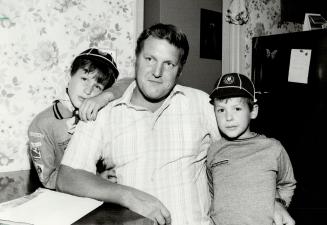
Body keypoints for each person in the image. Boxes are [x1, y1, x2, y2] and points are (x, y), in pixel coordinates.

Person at [57, 24, 295, 225]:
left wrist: (272, 200)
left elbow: (245, 152)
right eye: (150, 59)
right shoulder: (104, 112)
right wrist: (126, 195)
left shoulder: (201, 103)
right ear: (136, 58)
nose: (156, 72)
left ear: (180, 70)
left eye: (169, 64)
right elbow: (67, 176)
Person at [28, 48, 132, 189]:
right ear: (69, 76)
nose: (88, 91)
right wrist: (96, 180)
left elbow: (132, 84)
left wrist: (106, 96)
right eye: (84, 79)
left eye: (97, 86)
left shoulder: (101, 113)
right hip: (63, 201)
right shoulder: (42, 124)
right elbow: (48, 180)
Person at [207, 73, 296, 225]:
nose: (228, 117)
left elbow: (287, 183)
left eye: (237, 108)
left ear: (253, 111)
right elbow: (211, 191)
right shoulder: (213, 150)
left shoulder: (273, 148)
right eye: (221, 110)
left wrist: (279, 203)